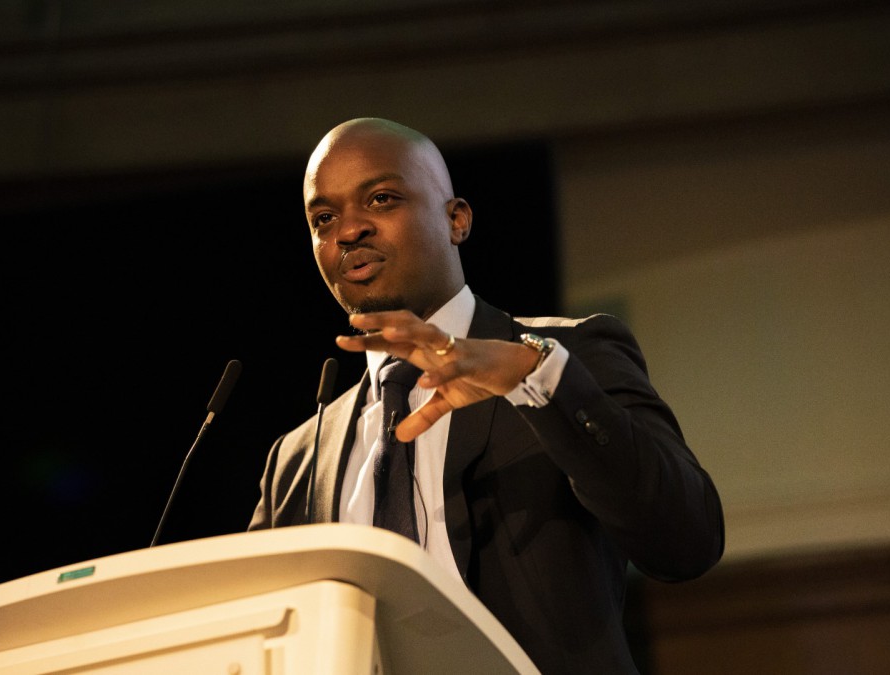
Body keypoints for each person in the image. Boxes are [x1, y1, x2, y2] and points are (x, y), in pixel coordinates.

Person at [247, 117, 724, 674]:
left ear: (457, 220)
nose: (348, 231)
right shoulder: (298, 460)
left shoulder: (562, 358)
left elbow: (687, 541)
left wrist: (538, 380)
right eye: (323, 218)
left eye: (380, 199)